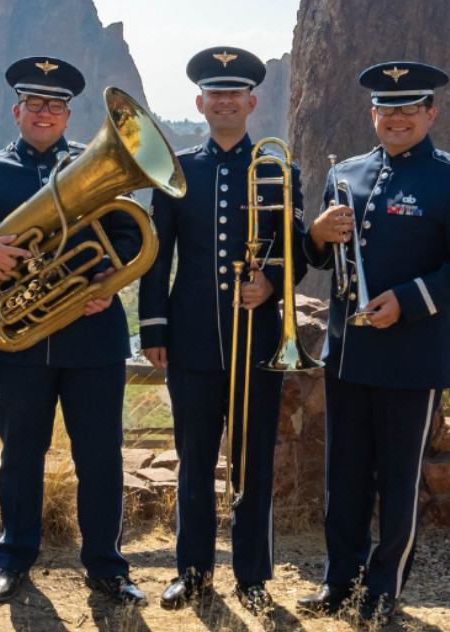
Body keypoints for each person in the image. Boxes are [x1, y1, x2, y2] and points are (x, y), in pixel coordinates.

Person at [0, 56, 146, 605]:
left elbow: (125, 233)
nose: (44, 112)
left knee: (101, 455)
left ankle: (107, 565)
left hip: (92, 336)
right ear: (17, 110)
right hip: (15, 343)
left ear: (69, 114)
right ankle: (13, 559)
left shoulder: (92, 168)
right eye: (34, 103)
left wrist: (104, 275)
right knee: (20, 454)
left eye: (55, 105)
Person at [138, 46, 309, 615]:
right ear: (201, 102)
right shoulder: (179, 172)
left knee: (253, 461)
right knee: (193, 462)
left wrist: (273, 283)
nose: (226, 100)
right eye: (216, 93)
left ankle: (253, 576)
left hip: (259, 344)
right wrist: (153, 327)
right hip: (190, 343)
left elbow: (296, 251)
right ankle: (191, 573)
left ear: (252, 101)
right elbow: (157, 257)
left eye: (235, 92)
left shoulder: (279, 169)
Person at [296, 61, 450, 625]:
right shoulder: (347, 174)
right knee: (346, 475)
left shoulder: (446, 177)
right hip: (349, 354)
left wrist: (407, 300)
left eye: (410, 107)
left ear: (430, 113)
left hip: (411, 357)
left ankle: (384, 588)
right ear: (373, 114)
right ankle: (341, 580)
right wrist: (315, 234)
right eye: (388, 108)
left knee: (399, 481)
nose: (398, 118)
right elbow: (318, 258)